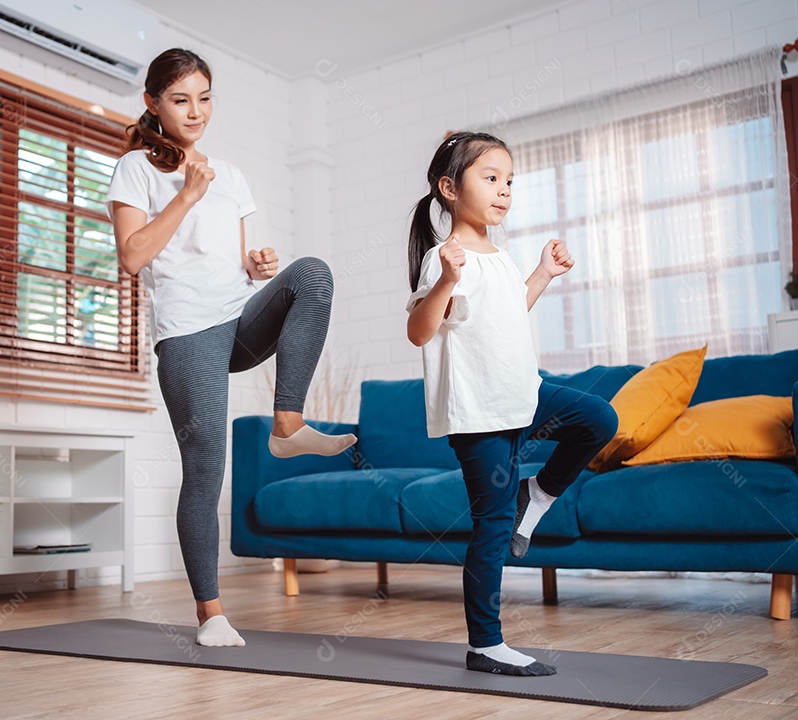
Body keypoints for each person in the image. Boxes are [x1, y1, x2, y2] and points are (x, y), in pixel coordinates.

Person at [106, 49, 356, 648]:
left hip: (235, 315)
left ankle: (288, 423)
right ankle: (211, 613)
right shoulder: (136, 168)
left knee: (312, 274)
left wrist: (256, 264)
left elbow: (229, 263)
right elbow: (133, 256)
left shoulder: (232, 175)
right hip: (188, 332)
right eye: (180, 99)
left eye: (205, 97)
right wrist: (185, 196)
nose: (196, 111)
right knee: (206, 470)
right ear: (153, 104)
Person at [405, 131, 618, 676]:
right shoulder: (442, 258)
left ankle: (538, 493)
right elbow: (419, 330)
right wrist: (446, 282)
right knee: (493, 523)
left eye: (509, 182)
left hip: (525, 393)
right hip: (479, 413)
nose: (503, 191)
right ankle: (485, 644)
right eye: (491, 178)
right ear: (449, 189)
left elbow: (506, 312)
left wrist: (543, 273)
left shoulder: (500, 256)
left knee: (598, 418)